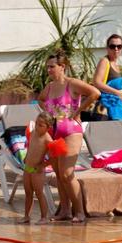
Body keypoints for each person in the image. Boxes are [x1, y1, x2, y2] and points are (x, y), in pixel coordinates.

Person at [39, 51, 100, 224]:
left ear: (62, 67)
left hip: (71, 131)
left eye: (52, 67)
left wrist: (78, 111)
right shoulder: (49, 87)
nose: (49, 70)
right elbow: (40, 100)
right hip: (54, 132)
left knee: (67, 173)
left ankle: (79, 211)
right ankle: (65, 210)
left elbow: (95, 93)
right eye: (47, 67)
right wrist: (48, 112)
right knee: (59, 174)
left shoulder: (71, 84)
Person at [19, 111, 55, 224]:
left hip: (37, 171)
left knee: (39, 193)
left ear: (48, 127)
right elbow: (31, 147)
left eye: (41, 125)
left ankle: (44, 217)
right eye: (36, 123)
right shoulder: (33, 133)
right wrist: (26, 157)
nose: (37, 126)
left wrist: (43, 165)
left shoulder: (48, 139)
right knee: (28, 193)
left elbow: (53, 158)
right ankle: (26, 216)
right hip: (27, 168)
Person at [92, 34, 122, 121]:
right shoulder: (104, 61)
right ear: (107, 48)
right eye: (112, 46)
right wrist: (117, 93)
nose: (116, 49)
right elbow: (97, 82)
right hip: (105, 108)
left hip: (114, 106)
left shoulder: (116, 64)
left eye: (119, 46)